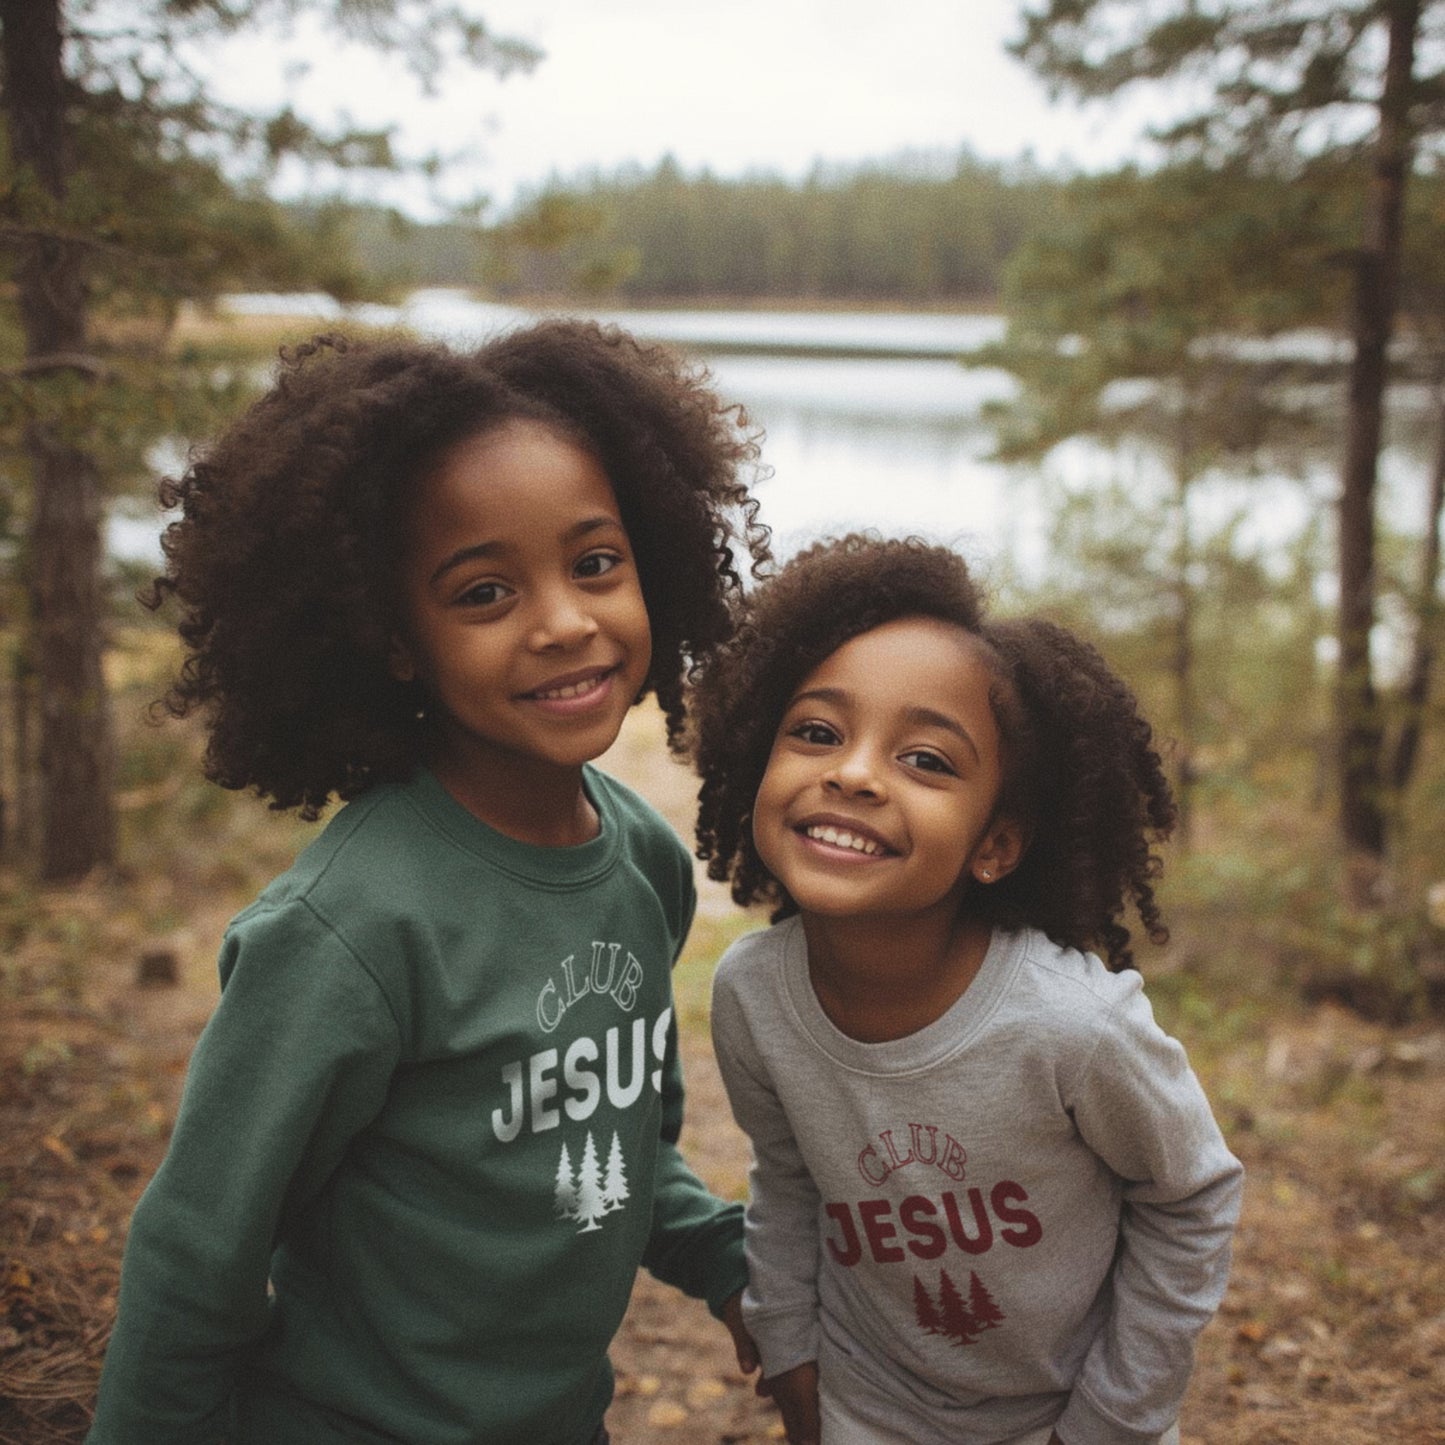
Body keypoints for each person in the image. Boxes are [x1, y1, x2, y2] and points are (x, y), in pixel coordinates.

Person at [88, 321, 773, 1445]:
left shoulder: (643, 862)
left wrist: (724, 1258)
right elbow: (200, 1245)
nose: (563, 621)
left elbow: (611, 1149)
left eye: (595, 562)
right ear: (394, 638)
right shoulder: (348, 928)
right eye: (484, 591)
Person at [692, 534, 1244, 1445]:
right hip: (865, 1404)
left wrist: (1114, 1417)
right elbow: (786, 1178)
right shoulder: (753, 994)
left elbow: (1189, 1197)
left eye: (927, 760)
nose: (854, 772)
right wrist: (788, 1344)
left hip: (1062, 1417)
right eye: (818, 732)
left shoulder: (1074, 1026)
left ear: (993, 845)